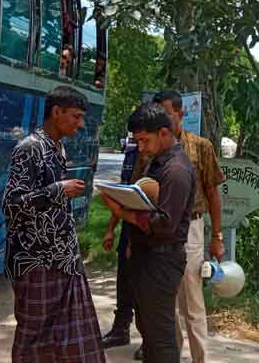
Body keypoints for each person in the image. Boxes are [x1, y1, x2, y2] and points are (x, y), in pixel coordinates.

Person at [2, 86, 105, 362]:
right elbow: (11, 205)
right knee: (34, 340)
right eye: (76, 116)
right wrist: (58, 190)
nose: (81, 124)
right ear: (56, 112)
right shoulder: (30, 148)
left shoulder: (57, 147)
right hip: (36, 263)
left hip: (63, 261)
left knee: (70, 342)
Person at [101, 102, 196, 363]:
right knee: (149, 333)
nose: (140, 148)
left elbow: (165, 224)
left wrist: (123, 214)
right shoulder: (157, 162)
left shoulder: (175, 169)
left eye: (144, 140)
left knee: (161, 338)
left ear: (164, 133)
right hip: (146, 257)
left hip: (162, 261)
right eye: (137, 141)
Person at [151, 90, 226, 363]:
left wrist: (216, 237)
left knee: (191, 301)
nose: (162, 119)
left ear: (181, 114)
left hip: (191, 229)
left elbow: (213, 194)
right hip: (158, 229)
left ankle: (199, 359)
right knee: (166, 304)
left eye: (167, 113)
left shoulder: (200, 147)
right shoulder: (152, 147)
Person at [99, 140, 142, 353]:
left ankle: (150, 340)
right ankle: (120, 330)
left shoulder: (162, 160)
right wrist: (110, 229)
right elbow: (123, 196)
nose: (139, 142)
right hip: (127, 226)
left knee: (145, 287)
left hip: (148, 230)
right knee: (124, 280)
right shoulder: (132, 155)